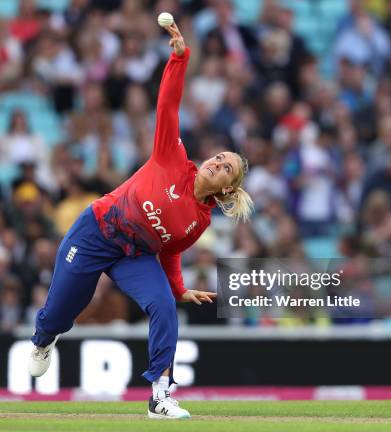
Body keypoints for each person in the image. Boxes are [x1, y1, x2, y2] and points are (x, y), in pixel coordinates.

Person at [27, 22, 254, 420]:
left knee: (164, 306)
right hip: (96, 231)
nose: (218, 162)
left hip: (133, 256)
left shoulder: (198, 222)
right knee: (64, 311)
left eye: (226, 169)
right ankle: (44, 339)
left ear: (225, 191)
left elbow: (169, 252)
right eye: (220, 157)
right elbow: (167, 103)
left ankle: (159, 396)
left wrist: (178, 288)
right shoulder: (171, 157)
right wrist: (179, 59)